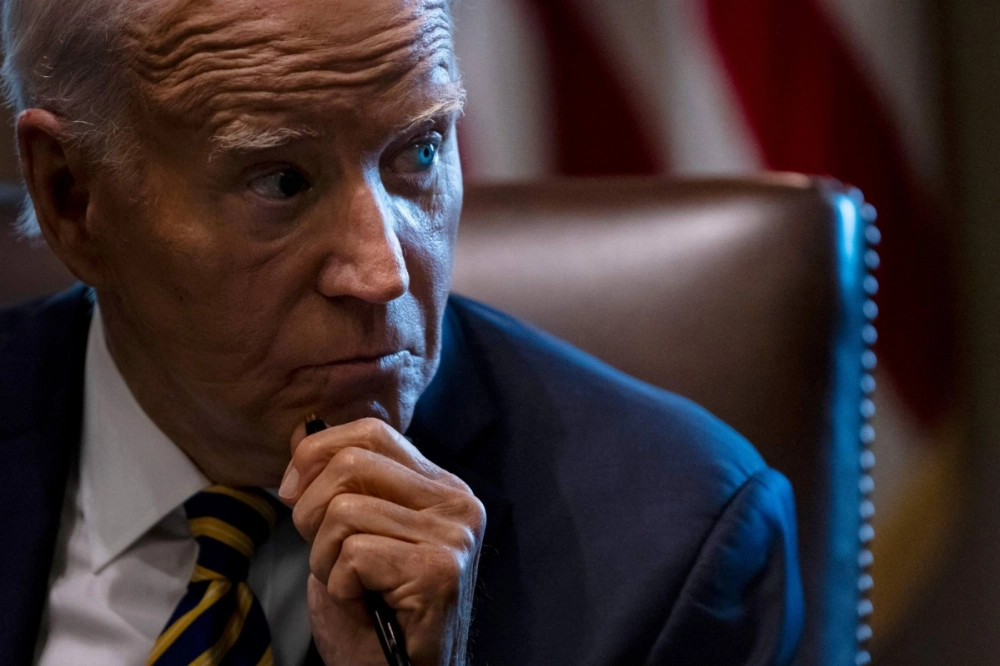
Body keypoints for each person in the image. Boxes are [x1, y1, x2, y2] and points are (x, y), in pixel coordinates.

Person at [0, 0, 803, 664]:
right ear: (73, 196)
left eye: (419, 151)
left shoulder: (676, 549)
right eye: (282, 181)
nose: (382, 272)